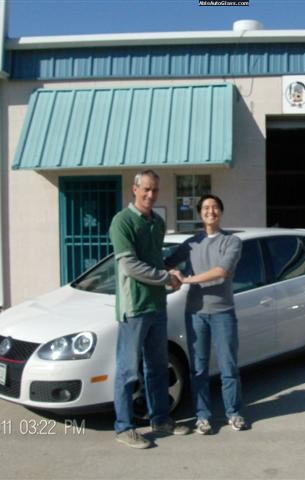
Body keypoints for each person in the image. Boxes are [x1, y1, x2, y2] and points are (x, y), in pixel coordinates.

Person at [109, 169, 190, 449]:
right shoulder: (122, 221)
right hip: (134, 308)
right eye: (145, 189)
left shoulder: (157, 222)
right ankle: (124, 427)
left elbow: (156, 261)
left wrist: (176, 266)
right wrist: (166, 278)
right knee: (127, 371)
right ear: (134, 189)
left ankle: (161, 419)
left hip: (157, 305)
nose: (150, 194)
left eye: (154, 190)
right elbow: (130, 266)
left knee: (157, 367)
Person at [165, 194, 247, 435]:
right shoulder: (192, 243)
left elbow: (221, 272)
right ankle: (203, 416)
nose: (211, 211)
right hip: (195, 314)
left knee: (228, 367)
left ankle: (234, 413)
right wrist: (173, 273)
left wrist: (186, 279)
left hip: (223, 312)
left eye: (215, 207)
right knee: (198, 369)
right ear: (200, 213)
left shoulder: (231, 242)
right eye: (206, 208)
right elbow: (167, 262)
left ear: (221, 212)